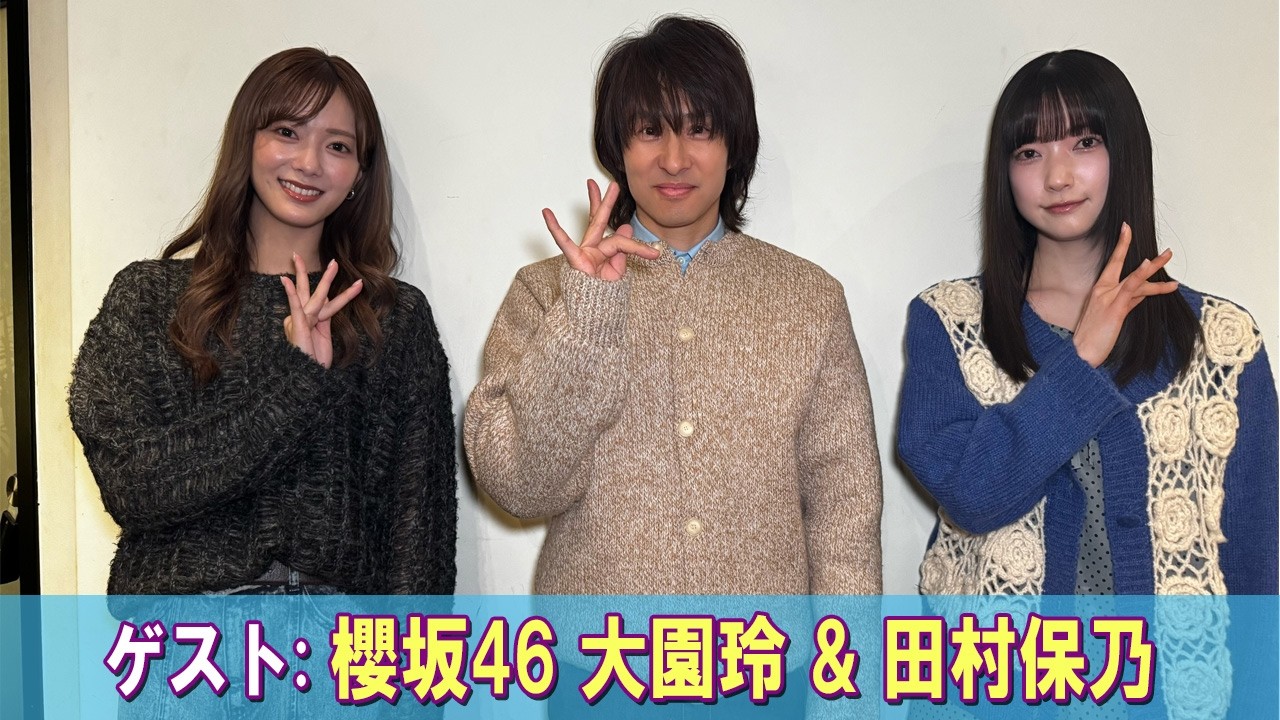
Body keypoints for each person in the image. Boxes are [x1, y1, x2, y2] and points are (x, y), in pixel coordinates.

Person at [464, 15, 882, 598]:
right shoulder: (546, 291)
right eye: (649, 130)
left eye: (700, 130)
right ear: (618, 147)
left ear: (735, 145)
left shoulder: (810, 299)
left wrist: (846, 656)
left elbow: (846, 517)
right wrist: (587, 315)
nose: (675, 159)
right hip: (602, 649)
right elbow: (521, 486)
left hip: (762, 650)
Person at [69, 47, 457, 596]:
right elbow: (132, 487)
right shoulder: (148, 299)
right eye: (287, 132)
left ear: (359, 174)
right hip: (185, 631)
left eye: (338, 146)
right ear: (247, 141)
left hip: (337, 633)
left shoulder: (391, 316)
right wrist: (297, 381)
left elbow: (419, 534)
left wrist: (417, 647)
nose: (309, 163)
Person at [898, 49, 1277, 597]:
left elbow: (1255, 560)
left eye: (1084, 143)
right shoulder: (951, 323)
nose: (1057, 176)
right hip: (1009, 652)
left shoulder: (1222, 342)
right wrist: (1079, 360)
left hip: (1170, 656)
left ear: (1125, 152)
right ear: (1005, 172)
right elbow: (970, 496)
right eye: (1030, 152)